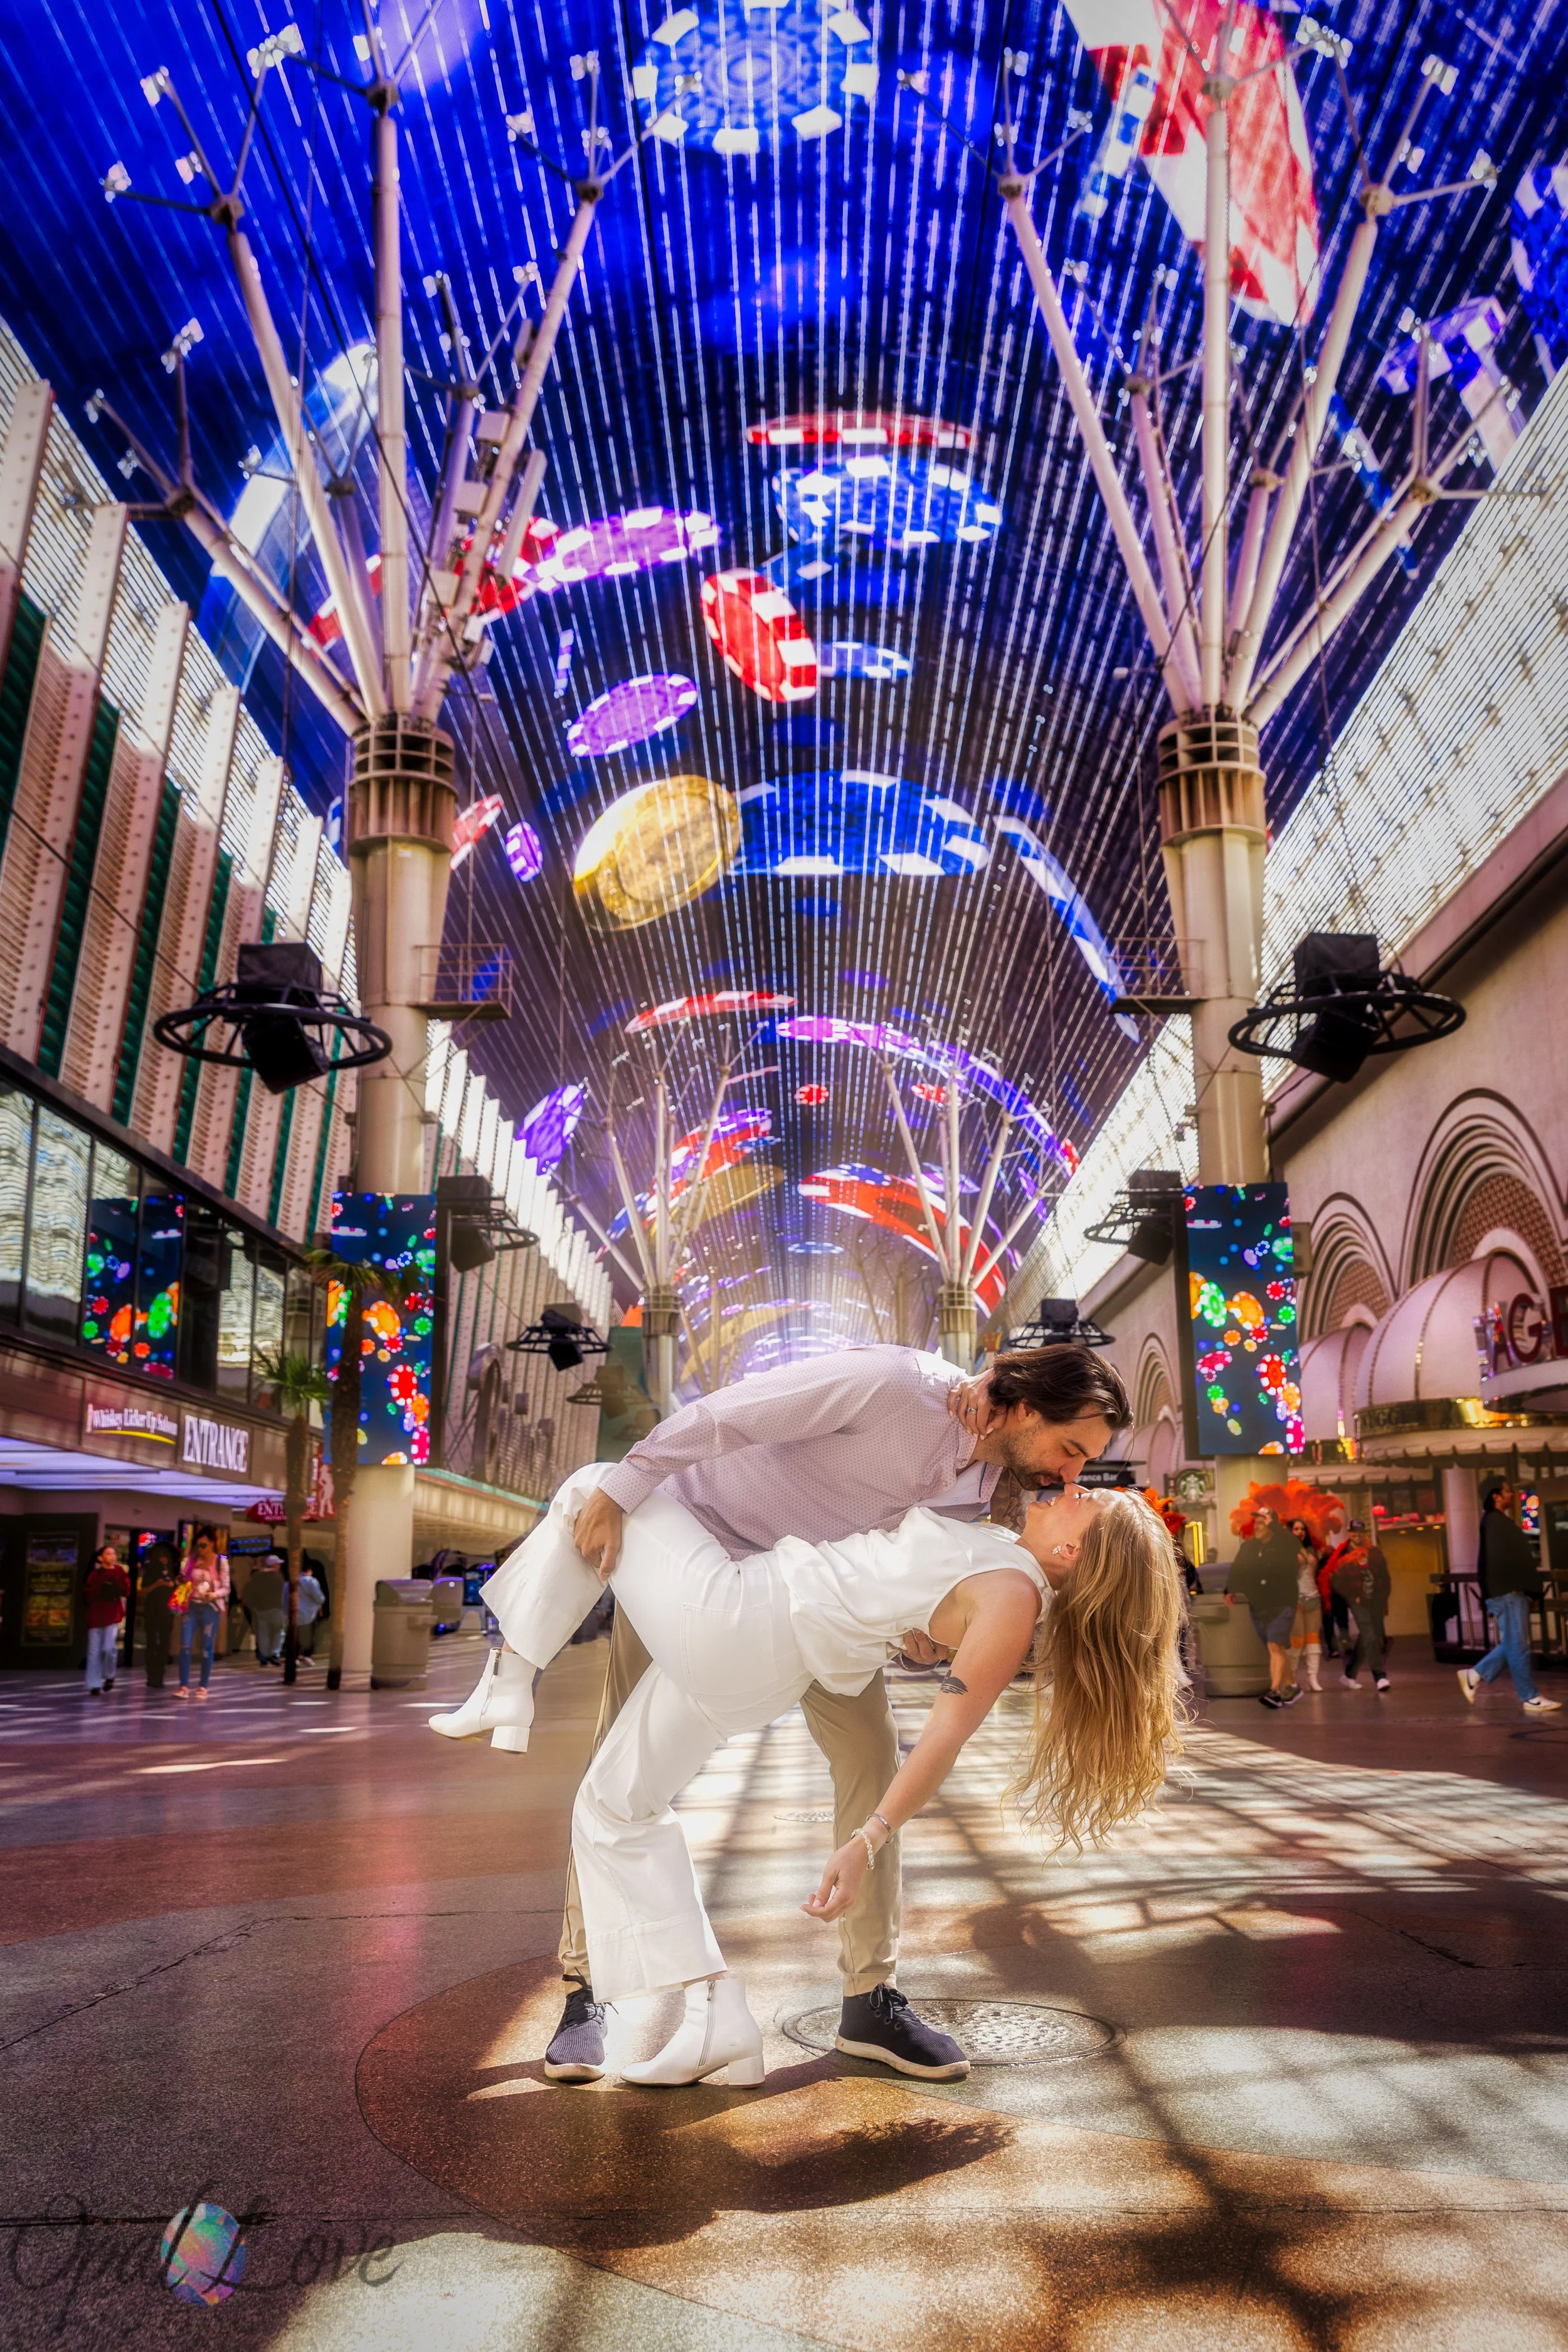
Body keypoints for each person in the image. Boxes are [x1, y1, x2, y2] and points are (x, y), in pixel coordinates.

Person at [436, 1342, 1130, 2085]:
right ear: (1027, 1409)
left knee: (870, 1759)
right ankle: (587, 1991)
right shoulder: (895, 1386)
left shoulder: (993, 1489)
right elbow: (732, 1415)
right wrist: (628, 1483)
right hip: (699, 1555)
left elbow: (918, 1594)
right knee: (618, 1768)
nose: (1070, 1475)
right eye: (1069, 1450)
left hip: (812, 1609)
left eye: (1081, 1464)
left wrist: (923, 1641)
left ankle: (870, 1997)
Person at [1460, 1481, 1562, 1714]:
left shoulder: (1493, 1523)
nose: (1511, 1495)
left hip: (1507, 1592)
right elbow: (1510, 1560)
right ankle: (1530, 1697)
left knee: (1515, 1645)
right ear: (1496, 1496)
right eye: (1507, 1491)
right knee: (1519, 1647)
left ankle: (1474, 1675)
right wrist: (1528, 1586)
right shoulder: (1496, 1524)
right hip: (1508, 1593)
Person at [1226, 1504, 1302, 1708]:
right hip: (1259, 1606)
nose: (1258, 1526)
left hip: (1283, 1603)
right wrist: (1230, 1590)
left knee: (1274, 1645)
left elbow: (1295, 1545)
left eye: (1263, 1522)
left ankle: (1275, 1692)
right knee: (1276, 1650)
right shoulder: (1249, 1547)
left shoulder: (1284, 1545)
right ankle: (1292, 1685)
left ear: (1273, 1525)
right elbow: (1238, 1569)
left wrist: (1276, 1528)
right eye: (1257, 1522)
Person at [1328, 1521, 1392, 1690]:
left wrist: (1383, 1596)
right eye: (1353, 1532)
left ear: (1364, 1533)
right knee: (1370, 1636)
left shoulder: (1374, 1553)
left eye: (1360, 1532)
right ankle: (1380, 1677)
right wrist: (1352, 1597)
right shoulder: (1343, 1556)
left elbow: (1384, 1576)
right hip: (1358, 1602)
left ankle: (1349, 1674)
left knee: (1368, 1637)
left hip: (1375, 1600)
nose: (1357, 1535)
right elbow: (1336, 1581)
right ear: (1349, 1533)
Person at [176, 1528, 230, 1704]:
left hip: (210, 1608)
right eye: (198, 1545)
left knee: (206, 1648)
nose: (201, 1549)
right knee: (185, 1645)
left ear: (212, 1544)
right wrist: (183, 1579)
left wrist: (214, 1594)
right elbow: (183, 1579)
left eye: (204, 1545)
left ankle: (203, 1686)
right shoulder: (191, 1560)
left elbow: (226, 1587)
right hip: (191, 1606)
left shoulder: (221, 1562)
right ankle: (184, 1686)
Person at [83, 1543, 129, 1697]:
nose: (112, 1556)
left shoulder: (120, 1572)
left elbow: (126, 1589)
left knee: (109, 1648)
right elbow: (88, 1592)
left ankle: (110, 1675)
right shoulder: (95, 1575)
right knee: (94, 1651)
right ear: (100, 1558)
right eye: (109, 1554)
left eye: (114, 1553)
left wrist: (115, 1588)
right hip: (96, 1614)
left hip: (112, 1614)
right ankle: (94, 1684)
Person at [1288, 1516, 1324, 1692]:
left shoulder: (1311, 1550)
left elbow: (1316, 1575)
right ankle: (1292, 1678)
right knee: (1297, 1640)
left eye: (1302, 1529)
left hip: (1314, 1598)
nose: (1300, 1532)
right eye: (1296, 1529)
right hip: (1296, 1599)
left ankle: (1313, 1678)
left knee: (1313, 1639)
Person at [137, 1542, 178, 1689]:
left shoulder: (172, 1571)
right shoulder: (150, 1570)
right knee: (152, 1641)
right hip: (152, 1609)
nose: (164, 1560)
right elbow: (143, 1591)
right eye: (161, 1557)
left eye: (166, 1557)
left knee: (164, 1642)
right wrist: (158, 1584)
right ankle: (151, 1674)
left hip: (167, 1611)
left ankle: (160, 1674)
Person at [245, 1554, 287, 1666]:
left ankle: (264, 1656)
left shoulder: (258, 1577)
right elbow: (283, 1594)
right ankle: (274, 1654)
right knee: (279, 1632)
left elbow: (251, 1593)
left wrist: (253, 1606)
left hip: (261, 1610)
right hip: (276, 1609)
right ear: (275, 1565)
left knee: (263, 1633)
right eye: (278, 1564)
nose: (279, 1566)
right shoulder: (278, 1578)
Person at [295, 1562, 326, 1656]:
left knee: (296, 1634)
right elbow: (318, 1597)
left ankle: (295, 1655)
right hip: (310, 1612)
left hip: (295, 1612)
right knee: (310, 1634)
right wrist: (322, 1600)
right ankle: (307, 1655)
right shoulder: (311, 1581)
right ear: (309, 1571)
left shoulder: (293, 1581)